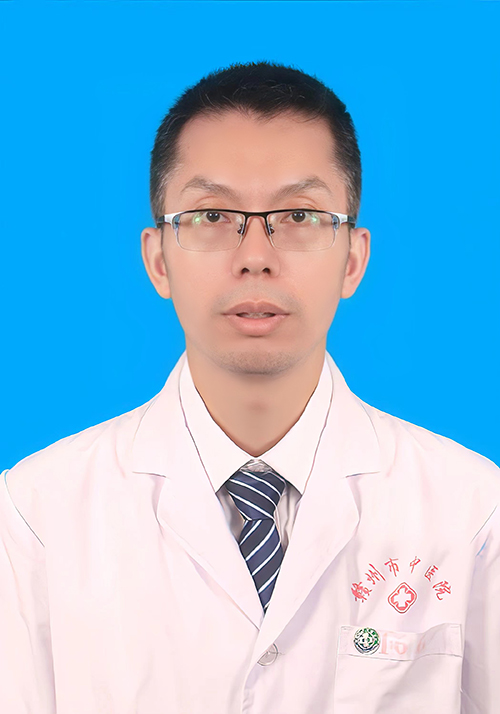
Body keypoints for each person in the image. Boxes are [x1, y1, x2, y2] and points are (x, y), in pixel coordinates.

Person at [0, 60, 498, 714]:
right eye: (211, 215)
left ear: (353, 260)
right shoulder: (35, 516)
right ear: (157, 260)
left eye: (299, 215)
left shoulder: (472, 511)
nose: (256, 256)